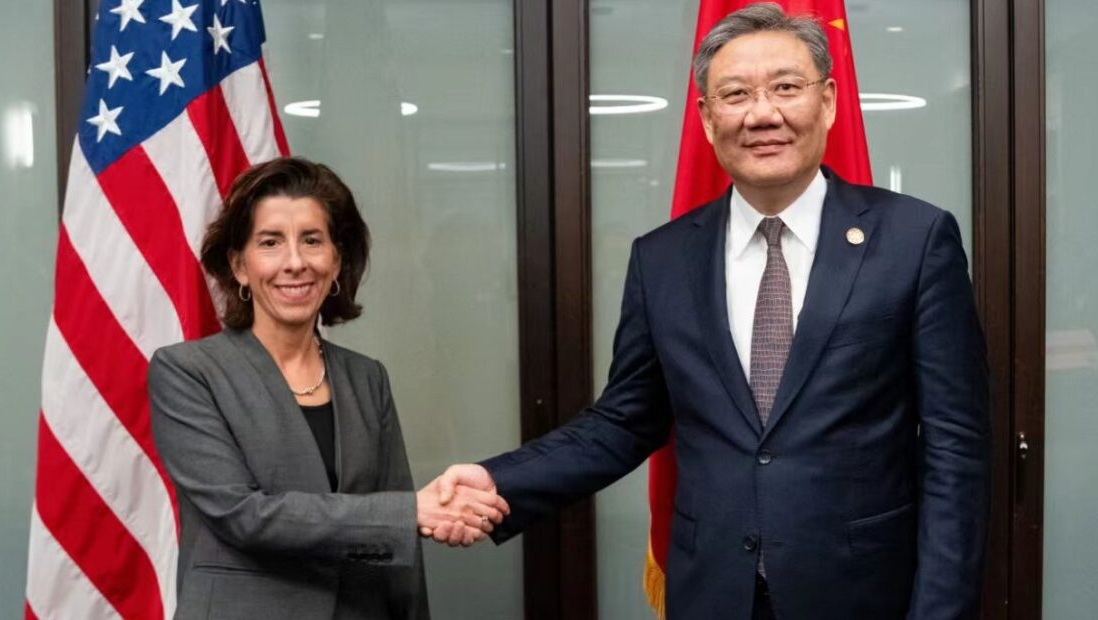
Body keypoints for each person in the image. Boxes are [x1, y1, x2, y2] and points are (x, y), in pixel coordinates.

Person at [424, 4, 990, 619]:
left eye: (786, 87)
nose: (762, 114)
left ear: (827, 101)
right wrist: (499, 481)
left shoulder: (913, 240)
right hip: (712, 592)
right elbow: (624, 421)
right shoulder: (662, 259)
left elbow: (955, 448)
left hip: (862, 593)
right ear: (706, 115)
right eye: (736, 94)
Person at [148, 157, 508, 620]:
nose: (295, 262)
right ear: (239, 266)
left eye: (312, 240)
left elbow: (402, 556)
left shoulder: (367, 378)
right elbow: (243, 516)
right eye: (270, 242)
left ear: (336, 261)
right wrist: (411, 513)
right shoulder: (187, 372)